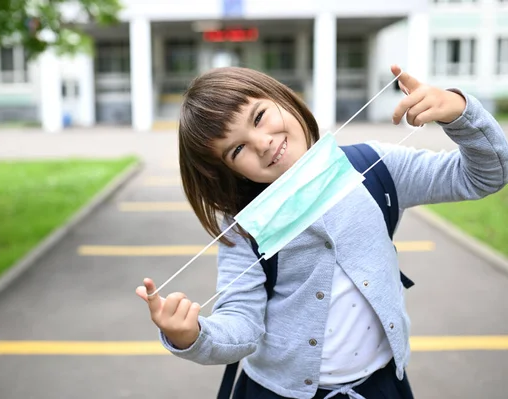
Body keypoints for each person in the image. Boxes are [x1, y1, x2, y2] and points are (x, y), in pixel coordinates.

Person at [135, 65, 508, 399]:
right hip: (279, 392)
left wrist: (462, 114)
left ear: (283, 97)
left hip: (381, 384)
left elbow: (484, 176)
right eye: (236, 150)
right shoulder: (244, 224)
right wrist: (193, 335)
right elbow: (243, 322)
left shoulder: (375, 166)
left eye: (260, 116)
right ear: (229, 172)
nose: (262, 142)